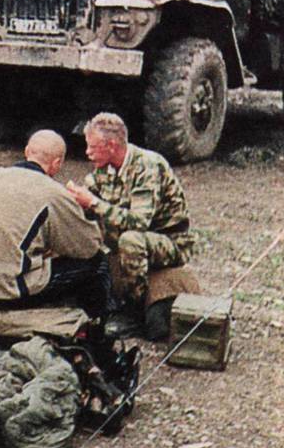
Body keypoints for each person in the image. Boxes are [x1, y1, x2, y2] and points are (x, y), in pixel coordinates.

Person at [65, 112, 194, 332]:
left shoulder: (147, 166)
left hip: (168, 241)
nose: (87, 153)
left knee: (130, 240)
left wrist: (94, 203)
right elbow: (91, 200)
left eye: (92, 147)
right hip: (133, 240)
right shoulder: (104, 168)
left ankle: (133, 312)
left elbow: (138, 222)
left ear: (112, 146)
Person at [0, 129, 114, 317]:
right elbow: (89, 248)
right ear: (57, 164)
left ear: (27, 152)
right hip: (10, 291)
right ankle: (96, 331)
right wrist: (86, 209)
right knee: (98, 264)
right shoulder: (53, 192)